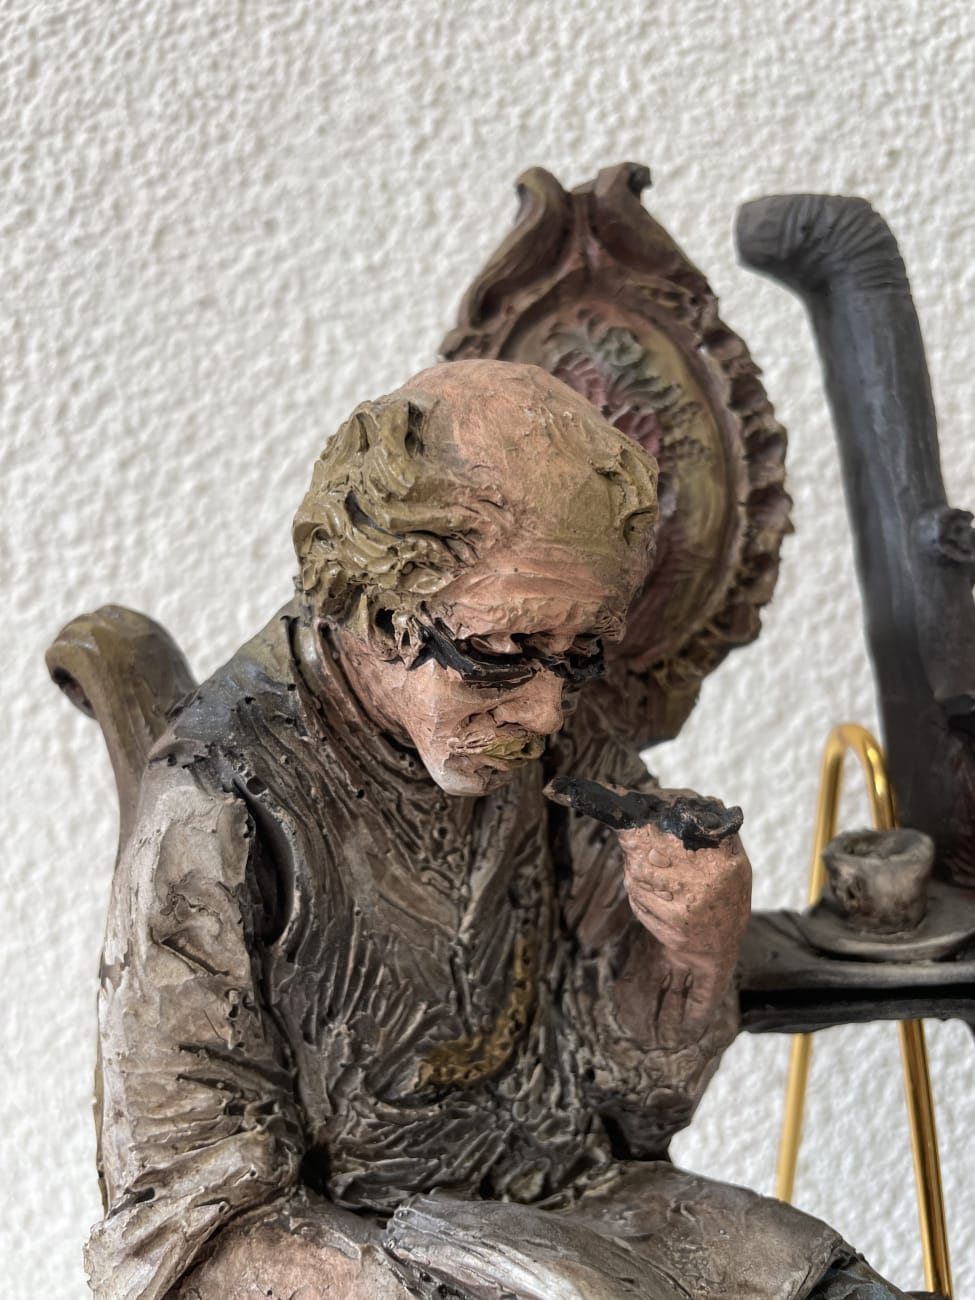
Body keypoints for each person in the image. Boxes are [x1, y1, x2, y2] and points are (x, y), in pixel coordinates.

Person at [82, 361, 909, 1299]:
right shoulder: (219, 800)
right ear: (378, 614)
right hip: (358, 1267)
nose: (547, 711)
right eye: (502, 653)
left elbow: (631, 1113)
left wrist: (690, 951)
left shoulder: (558, 729)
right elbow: (178, 1232)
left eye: (579, 653)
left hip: (591, 1217)